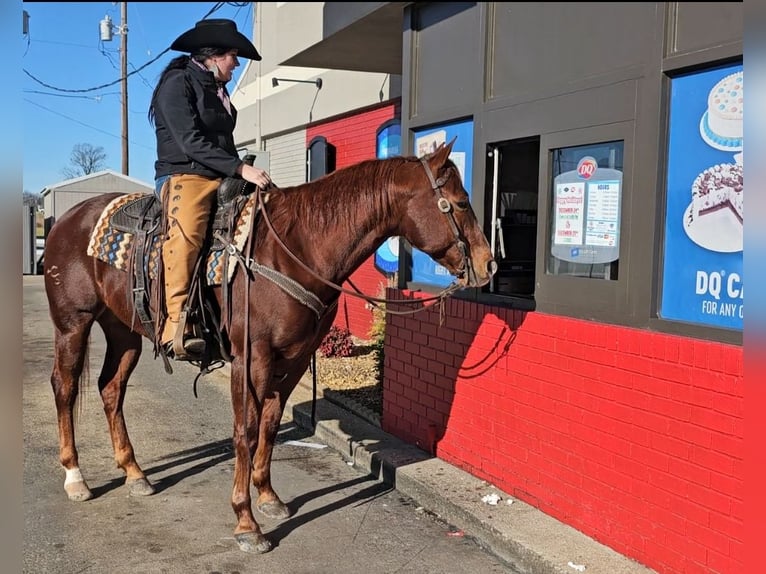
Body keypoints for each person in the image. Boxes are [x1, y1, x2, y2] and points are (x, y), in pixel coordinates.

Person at [148, 18, 271, 360]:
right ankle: (176, 325)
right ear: (214, 55)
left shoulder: (218, 89)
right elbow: (189, 142)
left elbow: (223, 141)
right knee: (186, 235)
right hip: (185, 175)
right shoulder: (177, 83)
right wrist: (240, 167)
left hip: (220, 172)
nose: (237, 63)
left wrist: (243, 173)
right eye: (234, 56)